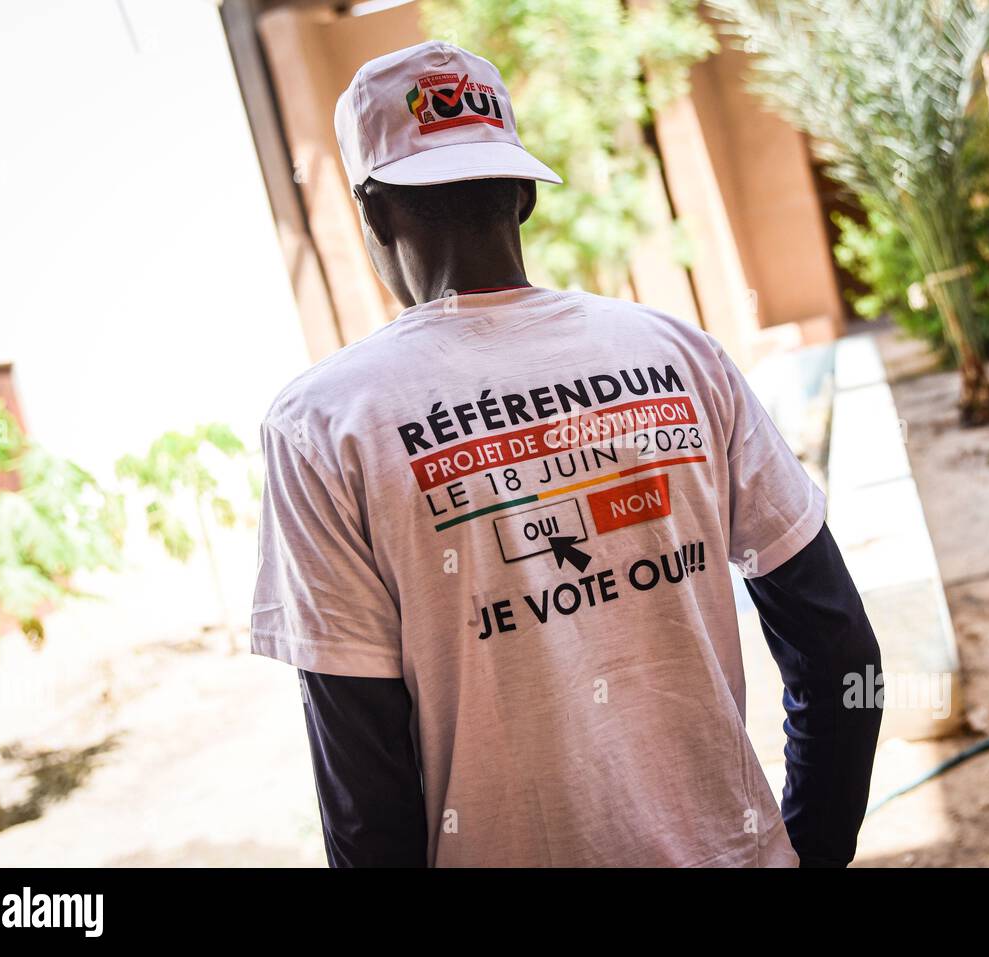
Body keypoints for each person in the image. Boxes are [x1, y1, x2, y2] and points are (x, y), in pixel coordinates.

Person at [252, 40, 882, 868]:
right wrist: (811, 851)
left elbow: (367, 791)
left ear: (372, 212)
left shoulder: (323, 426)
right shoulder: (681, 355)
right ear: (522, 194)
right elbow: (841, 652)